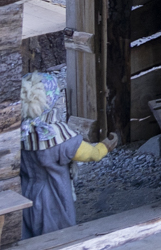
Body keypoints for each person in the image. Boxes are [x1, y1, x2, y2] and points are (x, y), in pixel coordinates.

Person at [18, 71, 108, 238]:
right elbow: (88, 153)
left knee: (31, 239)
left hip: (27, 196)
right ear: (50, 99)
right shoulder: (55, 133)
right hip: (53, 200)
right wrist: (104, 148)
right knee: (58, 238)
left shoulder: (21, 132)